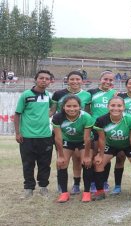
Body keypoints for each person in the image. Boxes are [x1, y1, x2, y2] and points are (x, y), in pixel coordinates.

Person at [92, 96, 131, 201]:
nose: (116, 108)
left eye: (119, 106)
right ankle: (100, 192)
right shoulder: (101, 120)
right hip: (111, 145)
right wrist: (100, 155)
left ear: (124, 107)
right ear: (108, 106)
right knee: (98, 163)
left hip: (128, 145)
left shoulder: (130, 119)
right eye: (113, 105)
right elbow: (102, 139)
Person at [14, 70, 54, 199]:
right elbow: (17, 114)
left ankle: (43, 188)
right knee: (28, 163)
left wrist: (49, 114)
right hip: (27, 137)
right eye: (41, 78)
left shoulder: (48, 95)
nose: (44, 80)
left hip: (45, 136)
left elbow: (54, 107)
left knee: (45, 163)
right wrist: (18, 132)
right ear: (36, 79)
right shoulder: (26, 95)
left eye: (47, 79)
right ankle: (28, 189)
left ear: (49, 82)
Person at [50, 71, 91, 194]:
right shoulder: (58, 94)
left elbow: (88, 112)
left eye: (78, 79)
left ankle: (77, 185)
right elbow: (52, 111)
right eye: (72, 79)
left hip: (80, 131)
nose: (75, 82)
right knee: (61, 160)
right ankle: (61, 186)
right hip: (63, 133)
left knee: (78, 159)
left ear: (82, 81)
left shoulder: (87, 95)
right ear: (67, 80)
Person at [52, 95, 95, 203]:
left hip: (82, 141)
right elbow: (58, 138)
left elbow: (87, 138)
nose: (72, 109)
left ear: (80, 107)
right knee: (61, 164)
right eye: (68, 106)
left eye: (75, 106)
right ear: (63, 107)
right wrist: (60, 156)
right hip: (68, 141)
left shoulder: (86, 117)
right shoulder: (57, 117)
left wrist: (86, 156)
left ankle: (86, 192)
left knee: (86, 163)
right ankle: (64, 193)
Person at [87, 70, 117, 193]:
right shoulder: (91, 93)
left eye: (110, 80)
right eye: (105, 79)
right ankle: (94, 182)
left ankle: (104, 181)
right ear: (100, 79)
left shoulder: (114, 94)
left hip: (109, 129)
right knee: (94, 155)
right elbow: (87, 111)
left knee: (105, 156)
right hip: (95, 128)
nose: (108, 82)